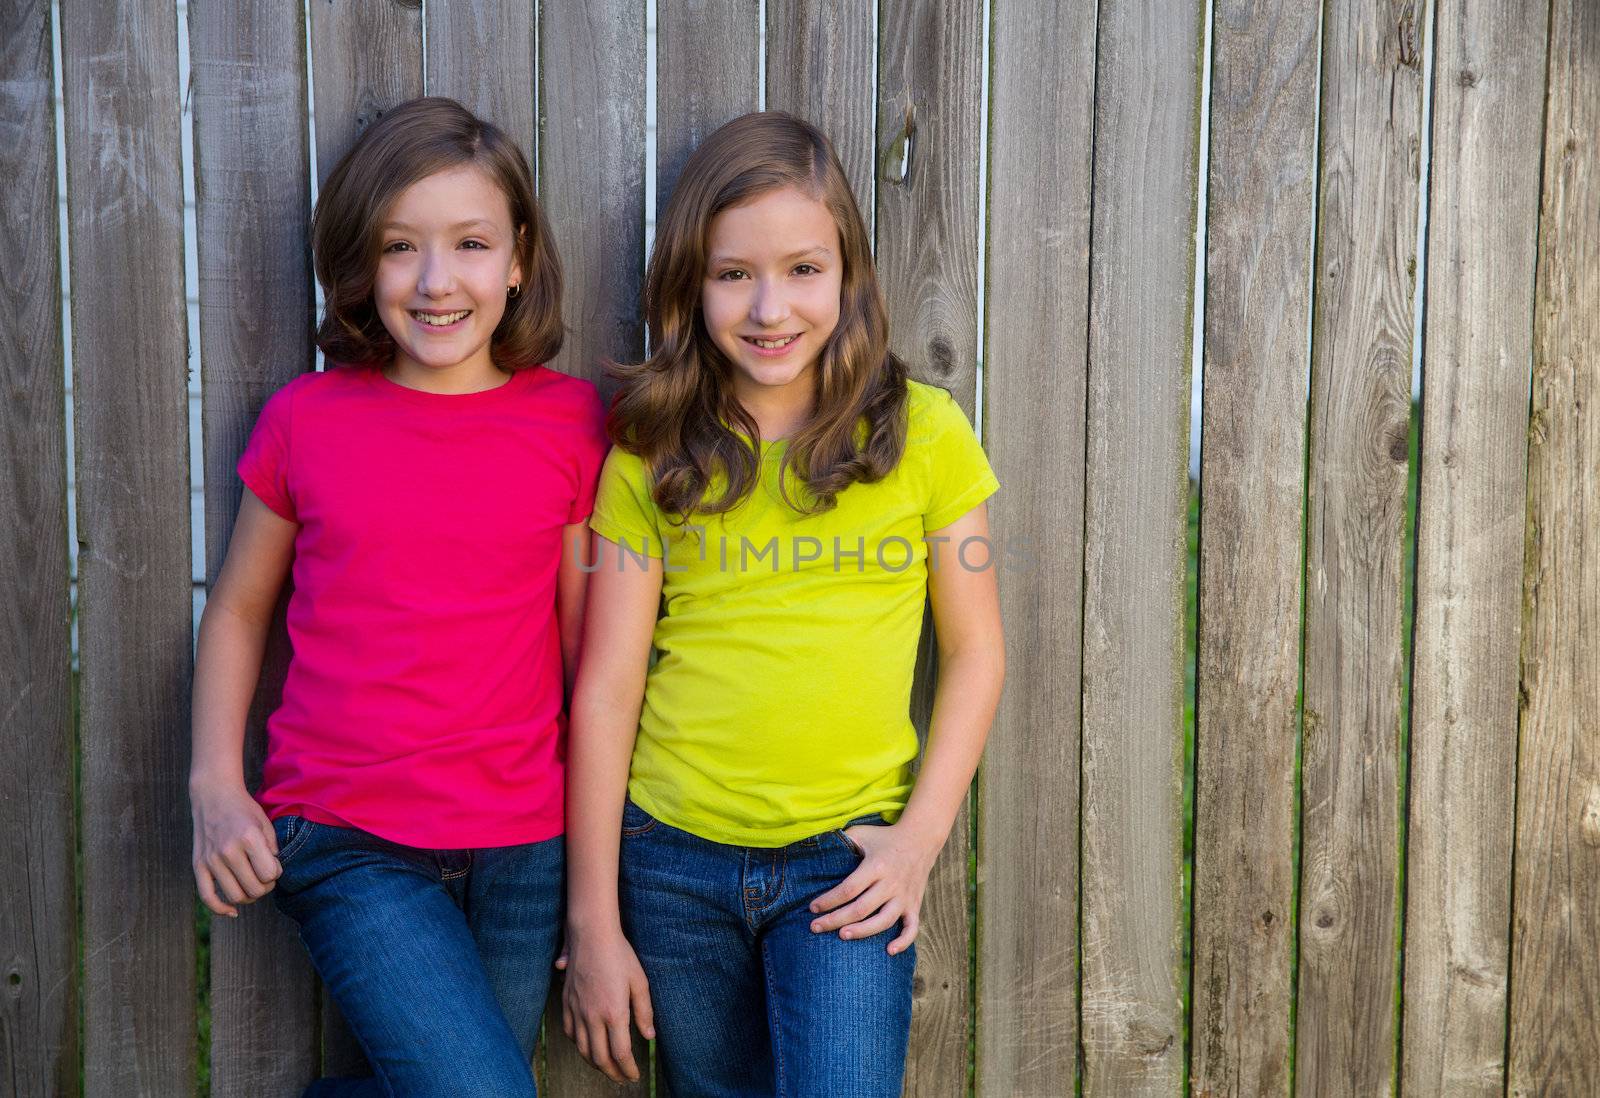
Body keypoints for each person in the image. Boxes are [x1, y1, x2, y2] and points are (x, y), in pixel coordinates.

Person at [561, 110, 1006, 1097]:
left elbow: (976, 652)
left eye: (803, 270)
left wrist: (919, 840)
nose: (770, 308)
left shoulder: (923, 436)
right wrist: (592, 921)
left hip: (844, 865)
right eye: (733, 275)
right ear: (690, 285)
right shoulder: (649, 450)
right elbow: (607, 686)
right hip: (671, 862)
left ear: (848, 277)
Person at [188, 97, 607, 1098]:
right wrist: (212, 783)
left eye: (469, 244)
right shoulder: (307, 420)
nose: (435, 281)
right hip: (349, 838)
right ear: (360, 266)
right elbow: (242, 609)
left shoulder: (571, 423)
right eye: (398, 248)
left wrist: (603, 876)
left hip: (524, 846)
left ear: (517, 260)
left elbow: (589, 648)